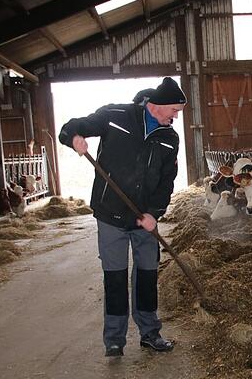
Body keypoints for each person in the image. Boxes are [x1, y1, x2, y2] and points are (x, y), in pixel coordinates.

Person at [58, 77, 186, 357]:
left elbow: (166, 182)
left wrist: (155, 213)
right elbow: (72, 127)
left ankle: (150, 333)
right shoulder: (115, 115)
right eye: (174, 110)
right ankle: (114, 339)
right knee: (114, 278)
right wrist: (74, 139)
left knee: (147, 275)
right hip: (110, 214)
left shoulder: (169, 138)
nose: (176, 116)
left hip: (144, 220)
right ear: (157, 106)